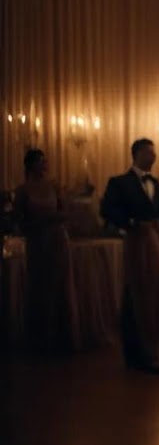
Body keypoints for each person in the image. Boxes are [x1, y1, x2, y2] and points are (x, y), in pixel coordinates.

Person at [100, 138, 159, 374]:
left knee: (152, 293)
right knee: (136, 293)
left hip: (152, 240)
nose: (153, 157)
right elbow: (107, 210)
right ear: (136, 154)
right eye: (148, 153)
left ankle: (148, 353)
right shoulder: (119, 182)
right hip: (135, 240)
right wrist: (132, 222)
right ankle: (137, 354)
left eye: (154, 153)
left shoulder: (155, 182)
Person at [15, 149, 75, 353]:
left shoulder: (55, 186)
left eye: (45, 161)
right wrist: (38, 222)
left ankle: (62, 339)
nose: (44, 165)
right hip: (37, 240)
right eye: (40, 162)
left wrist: (56, 218)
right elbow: (18, 221)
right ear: (30, 165)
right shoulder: (23, 190)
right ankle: (40, 340)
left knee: (60, 285)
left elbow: (65, 212)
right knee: (39, 287)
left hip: (58, 239)